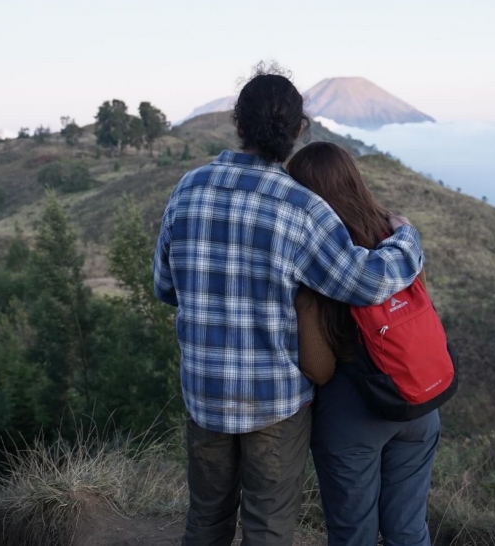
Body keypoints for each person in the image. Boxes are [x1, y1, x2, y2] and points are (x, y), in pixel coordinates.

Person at [153, 66, 425, 546]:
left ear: (237, 123)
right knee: (269, 528)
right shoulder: (303, 209)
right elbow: (365, 283)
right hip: (275, 406)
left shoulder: (186, 191)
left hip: (205, 395)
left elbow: (165, 287)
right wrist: (406, 240)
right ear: (299, 130)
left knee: (205, 521)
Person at [286, 142, 440, 546]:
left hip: (353, 415)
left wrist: (303, 307)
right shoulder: (396, 240)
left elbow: (319, 368)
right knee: (409, 530)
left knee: (352, 534)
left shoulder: (322, 258)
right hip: (417, 403)